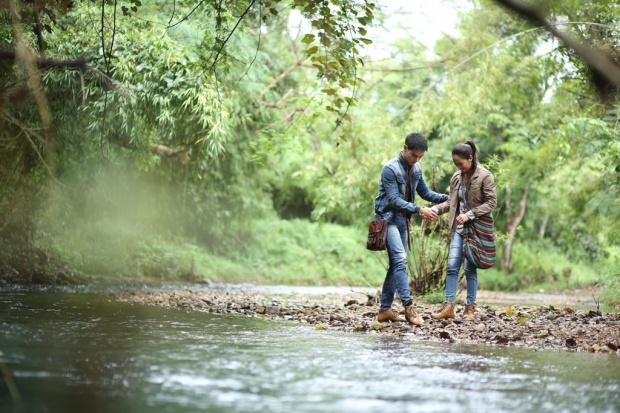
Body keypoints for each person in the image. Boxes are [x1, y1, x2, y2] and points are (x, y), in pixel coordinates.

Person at [373, 132, 448, 325]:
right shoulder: (390, 168)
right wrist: (419, 209)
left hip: (403, 222)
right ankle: (409, 307)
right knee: (400, 260)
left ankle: (384, 310)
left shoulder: (417, 168)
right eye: (414, 155)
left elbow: (425, 192)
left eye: (420, 157)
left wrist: (448, 197)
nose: (416, 160)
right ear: (405, 148)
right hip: (387, 219)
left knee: (397, 265)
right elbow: (393, 200)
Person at [431, 140, 497, 320]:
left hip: (476, 229)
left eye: (460, 163)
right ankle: (448, 307)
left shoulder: (485, 176)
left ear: (471, 158)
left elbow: (491, 202)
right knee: (452, 266)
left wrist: (470, 215)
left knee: (469, 269)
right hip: (458, 228)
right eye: (455, 164)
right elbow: (451, 202)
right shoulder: (456, 177)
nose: (458, 167)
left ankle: (470, 309)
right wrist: (435, 210)